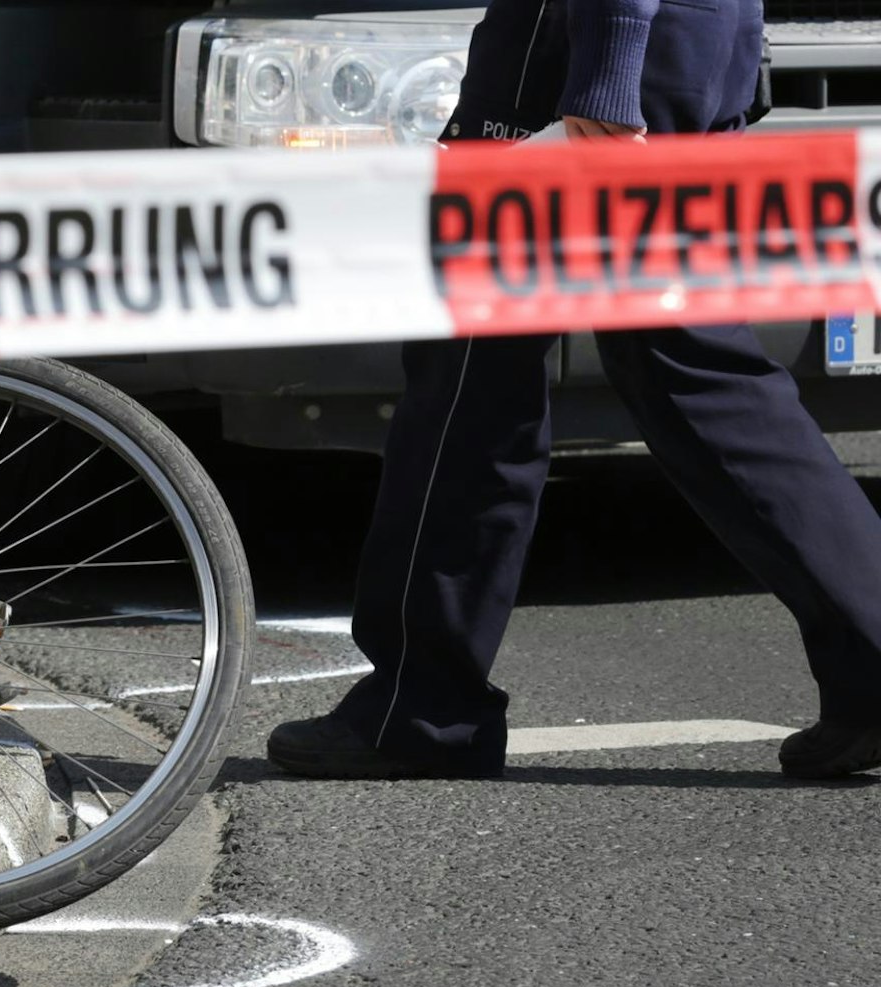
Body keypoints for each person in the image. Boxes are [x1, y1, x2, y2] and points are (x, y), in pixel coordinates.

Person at [267, 0, 881, 780]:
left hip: (575, 47)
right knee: (691, 360)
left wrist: (609, 69)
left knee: (473, 370)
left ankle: (420, 708)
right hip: (685, 40)